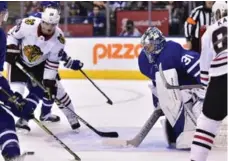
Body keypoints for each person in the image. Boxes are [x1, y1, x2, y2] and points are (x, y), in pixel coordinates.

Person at [6, 8, 81, 132]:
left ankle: (70, 117)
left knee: (48, 90)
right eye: (46, 23)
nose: (48, 28)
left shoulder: (59, 39)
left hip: (40, 66)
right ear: (42, 21)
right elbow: (12, 35)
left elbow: (52, 63)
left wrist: (49, 81)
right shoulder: (28, 24)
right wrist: (12, 48)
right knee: (17, 95)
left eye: (52, 25)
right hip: (18, 61)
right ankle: (23, 118)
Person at [138, 26, 205, 149]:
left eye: (150, 46)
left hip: (194, 89)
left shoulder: (172, 53)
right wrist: (159, 102)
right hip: (177, 88)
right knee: (169, 103)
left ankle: (195, 133)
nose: (147, 50)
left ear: (158, 43)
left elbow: (198, 66)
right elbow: (156, 82)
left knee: (192, 104)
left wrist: (206, 93)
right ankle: (175, 134)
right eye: (145, 47)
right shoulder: (145, 61)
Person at [0, 2, 38, 161]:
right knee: (5, 118)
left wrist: (10, 96)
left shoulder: (1, 35)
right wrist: (9, 96)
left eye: (3, 14)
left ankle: (12, 153)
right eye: (1, 14)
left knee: (5, 118)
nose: (2, 18)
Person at [190, 2, 227, 161]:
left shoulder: (208, 32)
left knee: (206, 125)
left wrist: (205, 87)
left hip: (220, 80)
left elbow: (204, 70)